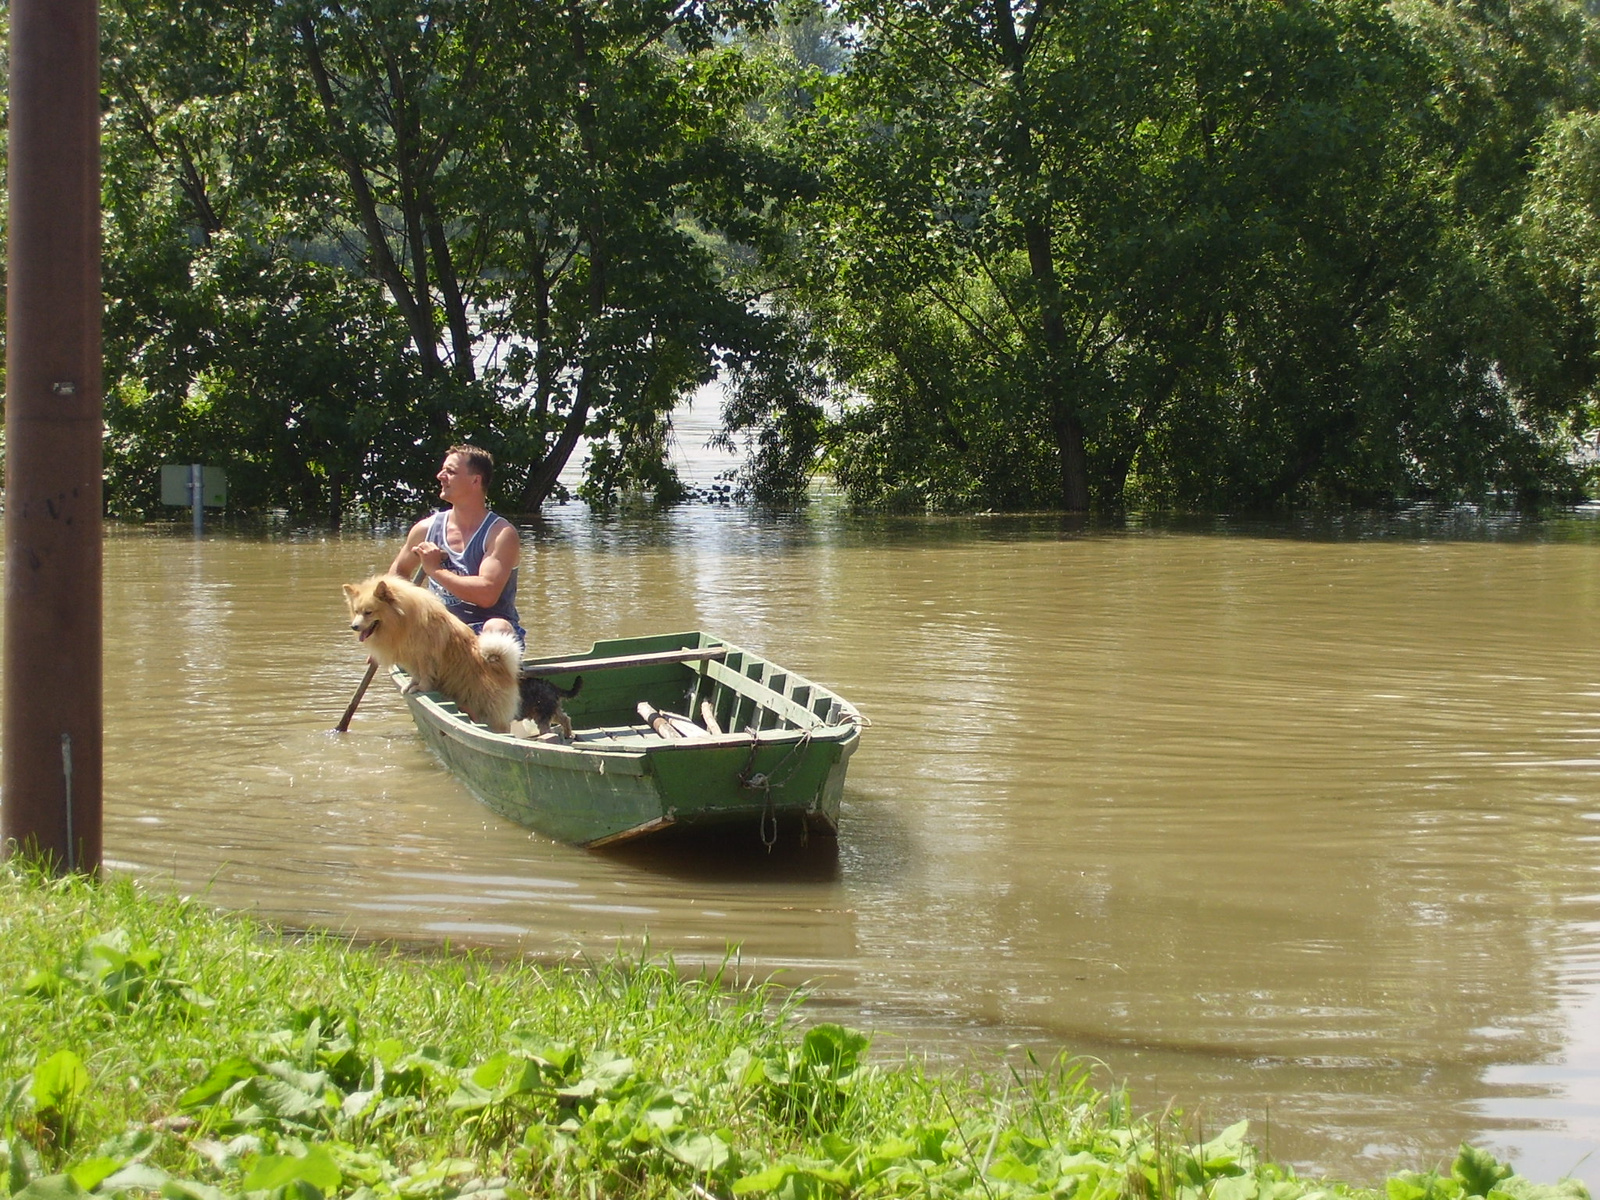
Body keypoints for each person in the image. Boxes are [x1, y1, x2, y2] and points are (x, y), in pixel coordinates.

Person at [390, 445, 525, 646]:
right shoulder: (424, 529)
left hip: (484, 633)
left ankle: (495, 675)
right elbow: (397, 576)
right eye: (443, 470)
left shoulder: (501, 534)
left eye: (450, 472)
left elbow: (486, 594)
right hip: (439, 631)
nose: (440, 476)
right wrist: (387, 627)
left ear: (475, 480)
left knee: (498, 628)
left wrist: (435, 570)